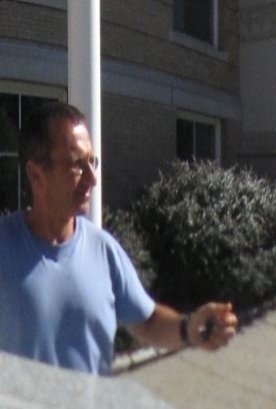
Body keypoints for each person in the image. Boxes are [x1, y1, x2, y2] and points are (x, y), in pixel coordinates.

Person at [1, 101, 236, 374]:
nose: (92, 178)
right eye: (77, 165)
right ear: (36, 174)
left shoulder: (103, 250)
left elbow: (147, 322)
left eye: (92, 162)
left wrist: (190, 328)